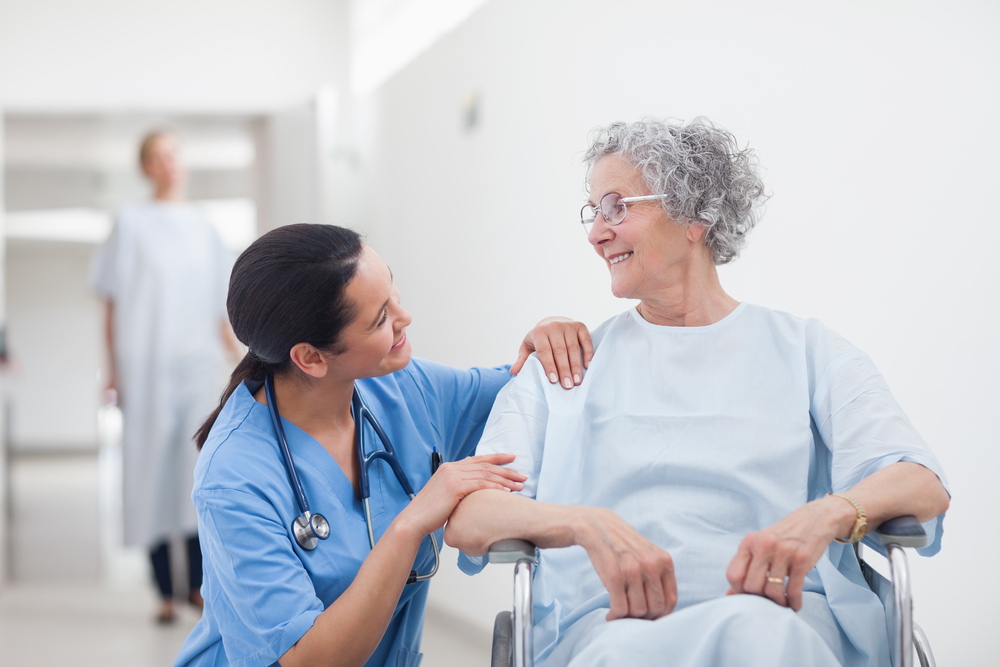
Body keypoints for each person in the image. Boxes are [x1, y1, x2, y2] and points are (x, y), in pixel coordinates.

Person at [444, 118, 951, 667]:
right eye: (593, 213)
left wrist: (827, 515)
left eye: (618, 207)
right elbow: (471, 517)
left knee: (763, 641)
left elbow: (920, 483)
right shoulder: (563, 367)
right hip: (612, 628)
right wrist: (581, 522)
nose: (596, 233)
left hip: (781, 618)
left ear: (696, 213)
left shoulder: (807, 351)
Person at [173, 223, 592, 667]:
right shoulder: (233, 478)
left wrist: (548, 337)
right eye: (380, 318)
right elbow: (307, 659)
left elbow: (522, 394)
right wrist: (411, 523)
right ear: (311, 357)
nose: (404, 317)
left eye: (392, 291)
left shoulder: (399, 389)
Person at [92, 130, 240, 623]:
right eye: (156, 157)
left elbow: (223, 305)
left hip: (196, 363)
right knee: (151, 471)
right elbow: (110, 301)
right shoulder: (130, 224)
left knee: (197, 470)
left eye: (172, 153)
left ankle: (197, 587)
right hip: (145, 365)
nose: (167, 164)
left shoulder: (204, 225)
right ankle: (161, 590)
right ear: (145, 168)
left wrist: (241, 362)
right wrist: (111, 370)